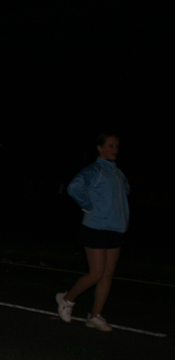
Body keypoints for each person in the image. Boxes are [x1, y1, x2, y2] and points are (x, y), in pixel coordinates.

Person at [55, 133, 129, 332]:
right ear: (100, 148)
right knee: (96, 274)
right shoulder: (94, 170)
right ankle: (66, 299)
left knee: (107, 275)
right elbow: (73, 187)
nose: (114, 149)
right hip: (96, 228)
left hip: (115, 229)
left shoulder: (117, 173)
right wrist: (88, 205)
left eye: (117, 146)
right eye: (111, 145)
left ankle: (94, 316)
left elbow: (123, 194)